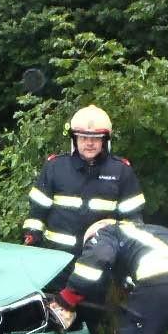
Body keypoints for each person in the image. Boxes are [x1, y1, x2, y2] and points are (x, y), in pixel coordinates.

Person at [23, 105, 146, 256]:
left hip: (99, 258)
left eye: (95, 138)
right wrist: (32, 239)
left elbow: (133, 222)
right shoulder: (55, 167)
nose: (89, 143)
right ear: (75, 139)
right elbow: (36, 213)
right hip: (55, 259)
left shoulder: (121, 171)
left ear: (104, 140)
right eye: (83, 137)